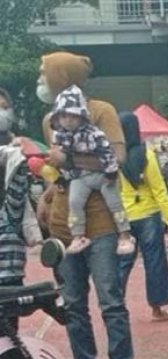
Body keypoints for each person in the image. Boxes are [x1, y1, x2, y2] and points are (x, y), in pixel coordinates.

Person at [35, 51, 136, 359]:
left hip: (102, 223)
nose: (41, 81)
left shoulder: (102, 111)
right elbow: (61, 169)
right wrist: (48, 194)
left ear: (62, 76)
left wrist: (71, 158)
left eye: (44, 73)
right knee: (73, 302)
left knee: (110, 300)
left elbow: (117, 158)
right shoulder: (50, 120)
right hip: (65, 223)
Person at [50, 85, 135, 255]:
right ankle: (78, 236)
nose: (68, 120)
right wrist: (63, 175)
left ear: (82, 116)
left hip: (102, 175)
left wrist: (111, 172)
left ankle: (125, 235)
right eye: (64, 116)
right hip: (80, 177)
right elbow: (61, 160)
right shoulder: (59, 135)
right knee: (74, 202)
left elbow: (108, 153)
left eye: (73, 116)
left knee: (114, 202)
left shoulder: (94, 133)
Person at [117, 111, 168, 322]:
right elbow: (159, 190)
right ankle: (157, 308)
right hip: (149, 215)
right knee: (154, 261)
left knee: (122, 263)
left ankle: (115, 305)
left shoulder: (114, 156)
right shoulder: (147, 154)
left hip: (124, 216)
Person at [0, 90, 32, 333]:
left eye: (4, 107)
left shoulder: (16, 156)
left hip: (8, 262)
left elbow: (16, 203)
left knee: (9, 336)